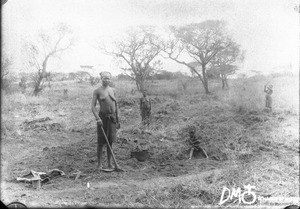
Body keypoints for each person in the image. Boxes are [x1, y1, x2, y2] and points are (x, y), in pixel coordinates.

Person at [91, 71, 119, 170]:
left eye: (108, 78)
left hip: (112, 118)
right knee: (101, 142)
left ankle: (110, 164)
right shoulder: (97, 91)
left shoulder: (113, 90)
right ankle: (99, 165)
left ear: (110, 79)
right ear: (101, 79)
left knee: (110, 141)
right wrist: (98, 119)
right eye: (104, 78)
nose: (106, 80)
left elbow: (116, 105)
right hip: (102, 118)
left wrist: (117, 119)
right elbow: (93, 107)